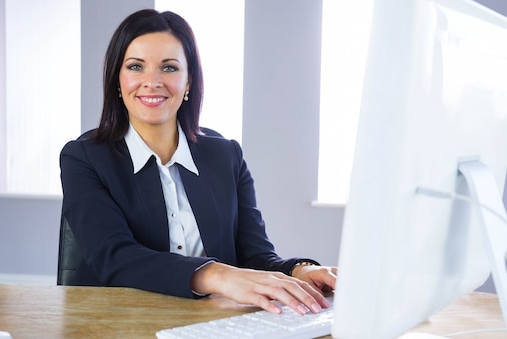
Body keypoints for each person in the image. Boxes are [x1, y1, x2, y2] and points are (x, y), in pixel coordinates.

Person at [59, 8, 337, 315]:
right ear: (117, 80)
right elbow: (115, 257)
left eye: (169, 68)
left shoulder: (226, 155)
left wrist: (300, 271)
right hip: (117, 322)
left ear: (189, 81)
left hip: (210, 323)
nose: (151, 82)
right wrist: (217, 274)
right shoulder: (83, 158)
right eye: (136, 66)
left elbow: (257, 258)